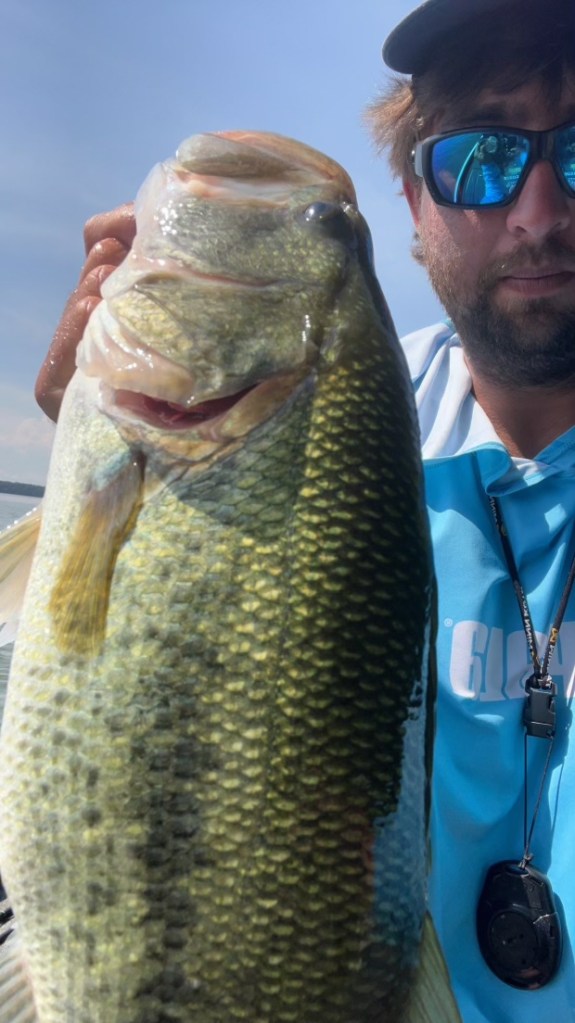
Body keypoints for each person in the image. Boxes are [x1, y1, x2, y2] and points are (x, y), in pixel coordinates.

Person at [33, 0, 575, 1019]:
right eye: (479, 159)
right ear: (412, 202)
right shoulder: (343, 417)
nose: (538, 212)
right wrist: (91, 475)